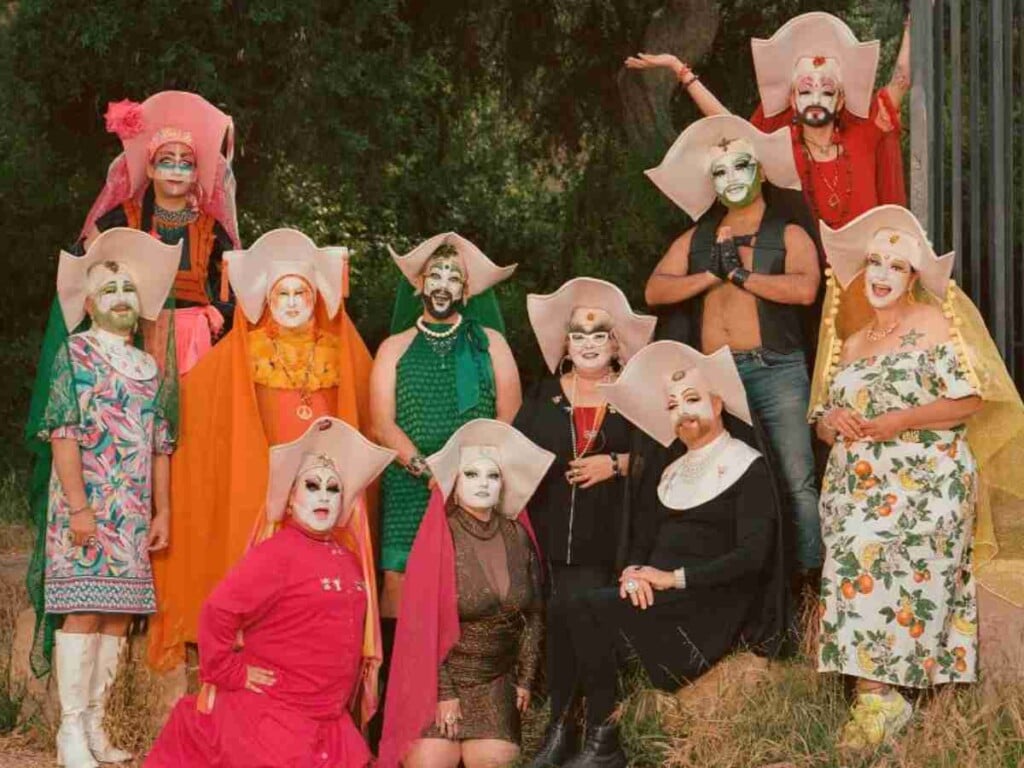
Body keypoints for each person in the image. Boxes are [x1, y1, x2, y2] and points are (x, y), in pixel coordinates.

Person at [808, 205, 1024, 749]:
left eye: (896, 266)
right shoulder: (850, 343)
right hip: (856, 487)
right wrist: (831, 421)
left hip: (925, 480)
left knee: (870, 548)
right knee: (852, 548)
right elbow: (824, 422)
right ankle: (879, 701)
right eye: (874, 262)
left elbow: (971, 397)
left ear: (912, 279)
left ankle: (879, 700)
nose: (881, 275)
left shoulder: (933, 325)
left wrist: (897, 421)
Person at [538, 341, 786, 768]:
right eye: (673, 406)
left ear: (717, 403)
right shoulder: (669, 470)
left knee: (587, 608)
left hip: (706, 611)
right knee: (563, 606)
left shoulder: (749, 466)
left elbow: (752, 557)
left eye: (692, 400)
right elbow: (642, 541)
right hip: (658, 601)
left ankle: (604, 741)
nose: (683, 413)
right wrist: (634, 571)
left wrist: (674, 579)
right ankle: (563, 730)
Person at [147, 228, 374, 672]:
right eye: (281, 293)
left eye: (300, 293)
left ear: (315, 299)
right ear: (267, 300)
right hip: (263, 488)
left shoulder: (339, 349)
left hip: (323, 489)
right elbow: (194, 405)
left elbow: (365, 415)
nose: (291, 302)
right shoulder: (242, 352)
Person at [145, 417, 394, 768]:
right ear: (291, 499)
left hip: (328, 722)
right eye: (312, 485)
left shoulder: (350, 558)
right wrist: (231, 672)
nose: (323, 494)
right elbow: (217, 611)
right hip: (274, 717)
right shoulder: (276, 553)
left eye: (333, 488)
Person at [644, 114, 823, 585]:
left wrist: (743, 275)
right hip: (716, 378)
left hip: (776, 369)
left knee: (796, 477)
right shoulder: (698, 237)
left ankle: (807, 584)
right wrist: (711, 274)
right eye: (719, 172)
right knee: (727, 481)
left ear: (760, 171)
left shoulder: (788, 232)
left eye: (741, 166)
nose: (732, 179)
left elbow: (807, 289)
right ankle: (738, 584)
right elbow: (654, 291)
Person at [25, 228, 181, 768]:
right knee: (84, 611)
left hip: (133, 513)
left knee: (118, 617)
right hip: (86, 507)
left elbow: (161, 443)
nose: (120, 297)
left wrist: (162, 510)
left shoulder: (151, 368)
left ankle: (96, 724)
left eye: (129, 289)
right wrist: (79, 507)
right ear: (90, 303)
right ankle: (69, 730)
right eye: (109, 289)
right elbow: (63, 432)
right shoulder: (76, 353)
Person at [514, 277, 655, 767]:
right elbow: (515, 458)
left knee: (585, 621)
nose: (590, 343)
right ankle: (574, 728)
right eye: (580, 334)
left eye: (600, 334)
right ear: (566, 345)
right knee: (562, 626)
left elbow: (661, 460)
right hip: (552, 540)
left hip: (611, 540)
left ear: (616, 344)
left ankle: (592, 729)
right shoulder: (541, 396)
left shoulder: (636, 397)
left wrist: (614, 465)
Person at [626, 11, 910, 229]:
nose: (815, 99)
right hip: (805, 284)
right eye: (806, 90)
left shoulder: (863, 137)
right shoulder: (781, 150)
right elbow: (727, 121)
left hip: (867, 282)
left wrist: (913, 27)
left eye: (826, 91)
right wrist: (680, 71)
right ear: (792, 100)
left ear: (840, 101)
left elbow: (901, 80)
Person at [378, 419, 553, 768]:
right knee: (431, 762)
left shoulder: (517, 537)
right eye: (472, 474)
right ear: (454, 486)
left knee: (494, 761)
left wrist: (525, 680)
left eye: (493, 475)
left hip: (494, 683)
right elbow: (422, 626)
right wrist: (444, 695)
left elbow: (533, 613)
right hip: (437, 680)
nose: (483, 484)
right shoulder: (439, 538)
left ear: (504, 485)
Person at [371, 233, 521, 621]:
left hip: (474, 481)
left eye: (453, 277)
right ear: (420, 284)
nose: (442, 284)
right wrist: (429, 470)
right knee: (398, 579)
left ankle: (463, 677)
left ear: (466, 292)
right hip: (409, 480)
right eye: (434, 275)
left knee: (472, 578)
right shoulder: (393, 348)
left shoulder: (491, 344)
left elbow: (510, 413)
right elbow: (381, 424)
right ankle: (399, 679)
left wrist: (465, 472)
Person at [82, 91, 241, 371]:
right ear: (151, 169)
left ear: (194, 174)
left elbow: (236, 280)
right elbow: (85, 258)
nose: (176, 171)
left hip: (195, 343)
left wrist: (215, 313)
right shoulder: (126, 216)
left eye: (185, 164)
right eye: (167, 161)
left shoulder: (209, 228)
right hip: (134, 335)